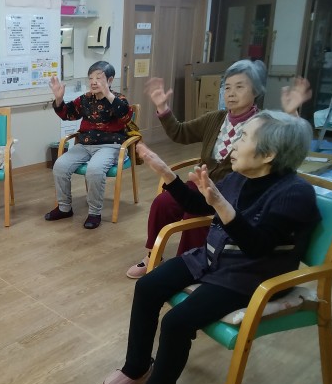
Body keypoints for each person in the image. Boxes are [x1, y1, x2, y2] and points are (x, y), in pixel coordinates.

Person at [100, 111, 320, 384]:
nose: (234, 142)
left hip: (251, 277)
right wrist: (167, 175)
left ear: (268, 154)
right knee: (147, 286)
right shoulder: (238, 177)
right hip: (213, 258)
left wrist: (221, 205)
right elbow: (200, 205)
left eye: (244, 137)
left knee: (176, 322)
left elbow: (257, 246)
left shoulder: (295, 194)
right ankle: (137, 368)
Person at [126, 59, 312, 278]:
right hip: (202, 184)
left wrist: (292, 113)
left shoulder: (262, 125)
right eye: (227, 87)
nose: (231, 93)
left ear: (256, 91)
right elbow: (180, 132)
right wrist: (162, 107)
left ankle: (191, 266)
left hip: (233, 193)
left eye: (240, 87)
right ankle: (153, 256)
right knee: (163, 202)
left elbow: (286, 148)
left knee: (192, 217)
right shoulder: (215, 119)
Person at [45, 61, 133, 229]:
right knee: (60, 165)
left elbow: (125, 116)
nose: (93, 82)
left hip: (110, 146)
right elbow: (68, 114)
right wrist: (59, 99)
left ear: (110, 80)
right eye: (91, 78)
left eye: (98, 78)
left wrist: (108, 94)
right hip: (85, 145)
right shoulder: (85, 99)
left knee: (94, 169)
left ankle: (94, 213)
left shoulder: (119, 99)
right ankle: (64, 208)